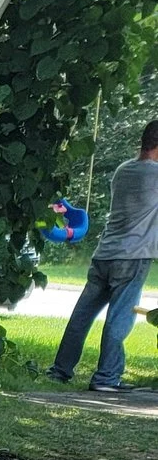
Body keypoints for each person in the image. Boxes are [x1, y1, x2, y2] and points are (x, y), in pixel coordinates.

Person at [51, 121, 158, 390]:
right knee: (119, 318)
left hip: (104, 254)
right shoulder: (155, 174)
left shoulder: (123, 170)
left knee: (82, 316)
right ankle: (107, 378)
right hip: (132, 258)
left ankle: (59, 371)